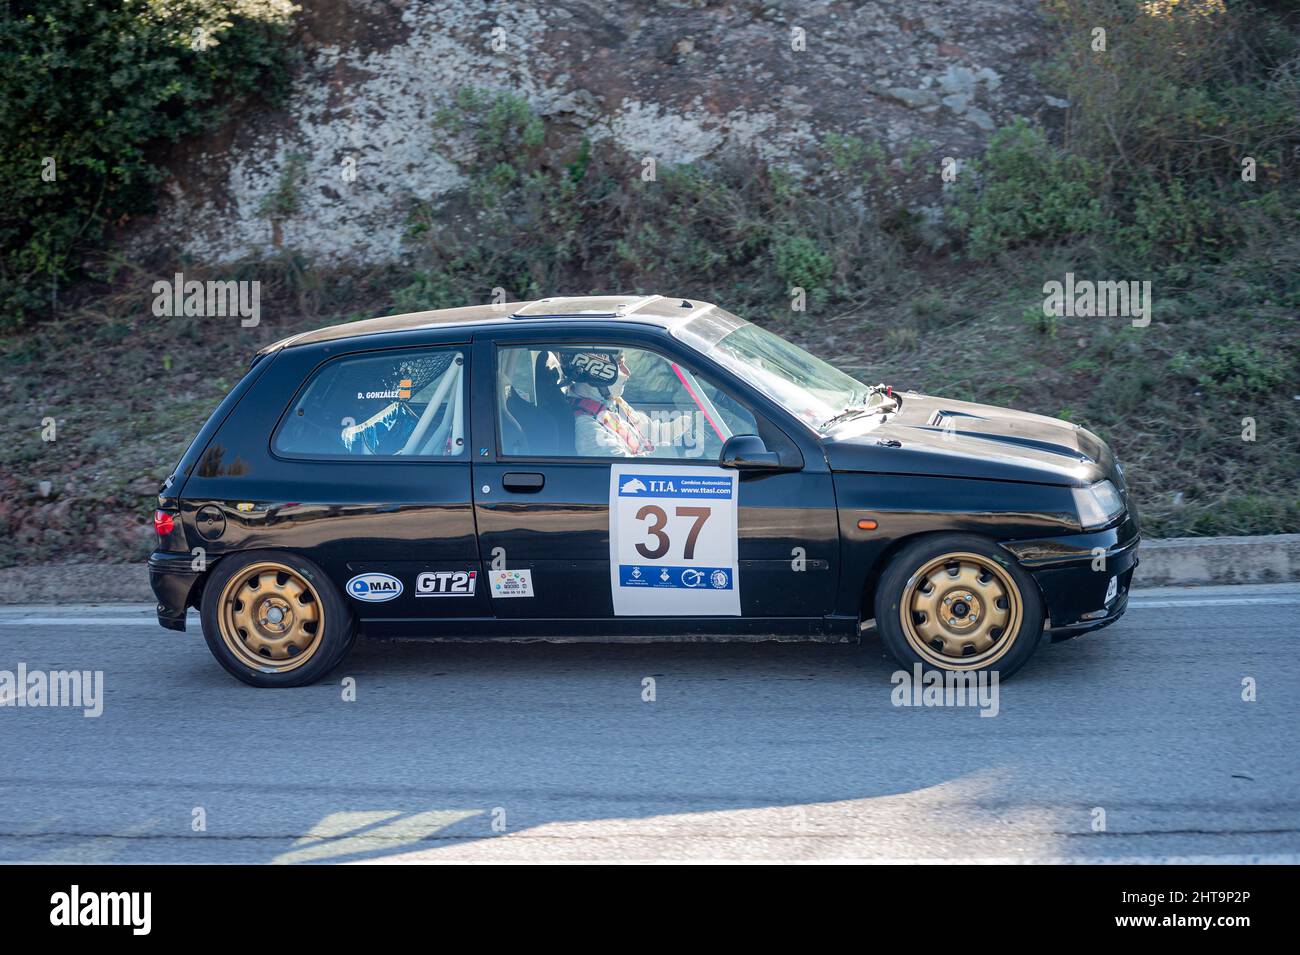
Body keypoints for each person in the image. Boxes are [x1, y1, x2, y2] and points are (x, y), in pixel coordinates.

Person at [555, 349, 661, 457]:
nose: (627, 372)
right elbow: (626, 466)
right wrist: (670, 452)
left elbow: (650, 430)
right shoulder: (586, 427)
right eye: (619, 365)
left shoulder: (613, 402)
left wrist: (678, 426)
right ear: (595, 372)